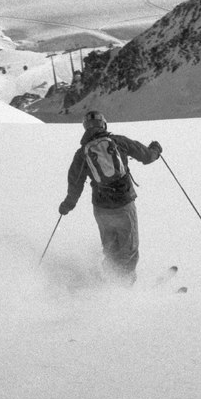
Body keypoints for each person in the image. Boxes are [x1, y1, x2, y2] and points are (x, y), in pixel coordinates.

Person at [58, 110, 162, 284]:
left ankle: (108, 281)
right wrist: (156, 149)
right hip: (123, 205)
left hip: (101, 208)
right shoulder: (118, 142)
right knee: (129, 249)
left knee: (110, 248)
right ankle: (123, 288)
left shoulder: (82, 154)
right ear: (103, 124)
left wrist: (67, 205)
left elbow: (75, 184)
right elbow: (147, 156)